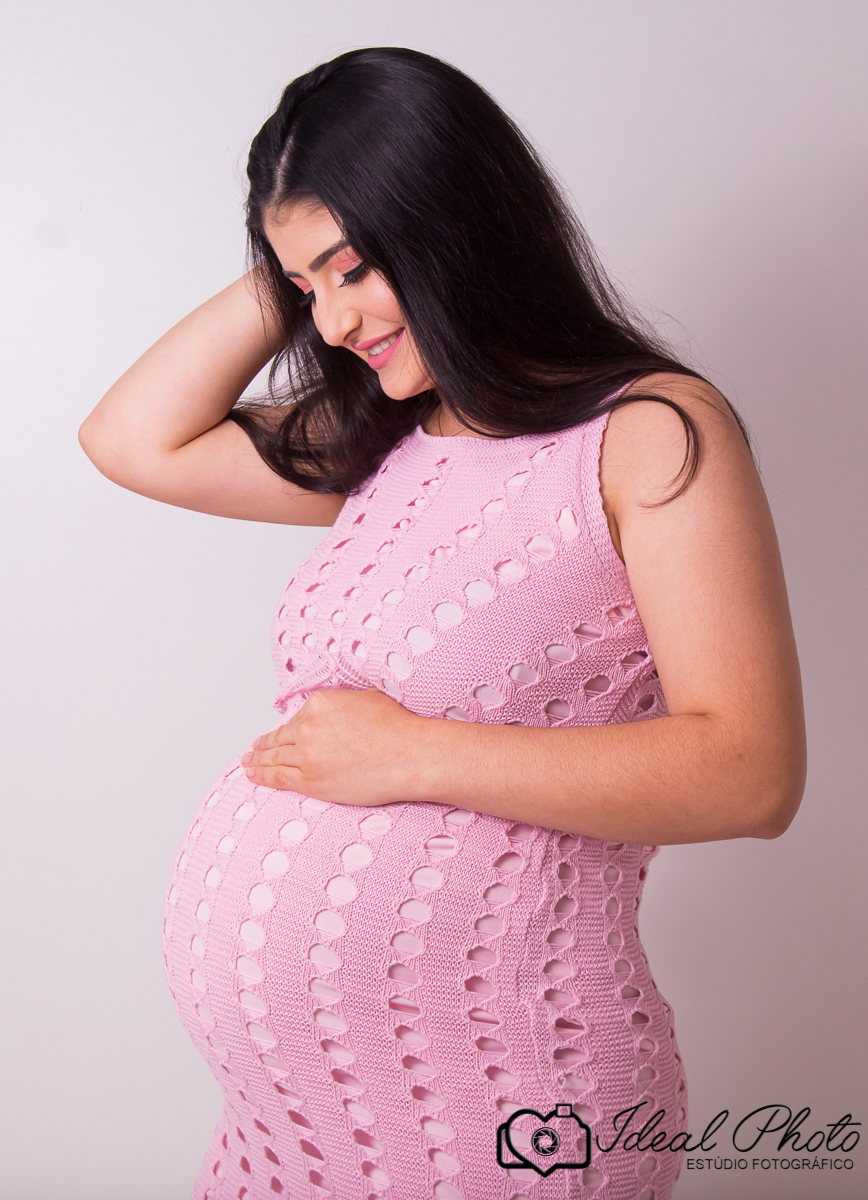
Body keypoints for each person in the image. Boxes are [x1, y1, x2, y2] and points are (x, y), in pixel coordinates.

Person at [78, 46, 806, 1200]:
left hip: (504, 1103)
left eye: (356, 266)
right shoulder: (388, 437)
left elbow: (751, 772)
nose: (332, 317)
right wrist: (298, 260)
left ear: (454, 221)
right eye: (306, 288)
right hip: (289, 1135)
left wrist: (414, 754)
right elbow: (131, 441)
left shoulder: (648, 432)